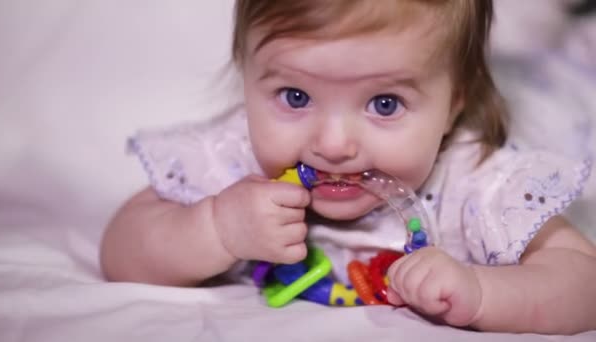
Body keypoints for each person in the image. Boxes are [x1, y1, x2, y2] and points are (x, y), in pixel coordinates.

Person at [100, 0, 596, 334]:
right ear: (246, 77)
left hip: (566, 99)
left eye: (384, 104)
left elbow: (583, 282)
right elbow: (123, 249)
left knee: (573, 72)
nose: (333, 146)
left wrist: (484, 293)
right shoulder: (238, 160)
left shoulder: (477, 180)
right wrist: (214, 228)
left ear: (454, 105)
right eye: (295, 96)